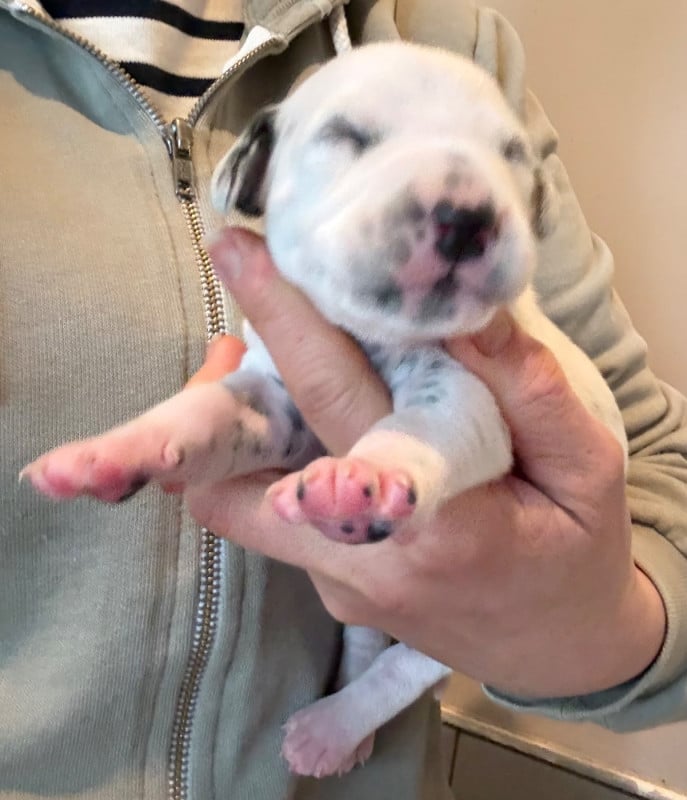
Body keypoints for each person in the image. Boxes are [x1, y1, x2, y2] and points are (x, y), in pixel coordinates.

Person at [2, 1, 686, 799]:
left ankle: (363, 702)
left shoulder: (443, 33)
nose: (461, 203)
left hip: (466, 555)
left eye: (505, 160)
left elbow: (636, 461)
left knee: (401, 636)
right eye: (355, 141)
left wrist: (606, 625)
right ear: (250, 176)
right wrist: (153, 442)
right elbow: (255, 405)